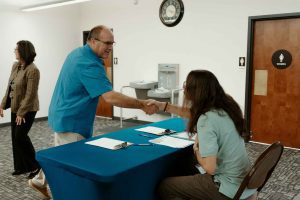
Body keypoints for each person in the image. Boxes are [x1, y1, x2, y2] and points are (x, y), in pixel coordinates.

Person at [28, 25, 158, 199]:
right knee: (72, 167)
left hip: (62, 114)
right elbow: (110, 97)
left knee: (61, 153)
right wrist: (141, 104)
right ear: (92, 40)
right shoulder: (88, 63)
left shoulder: (78, 53)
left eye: (113, 43)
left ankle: (39, 180)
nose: (111, 47)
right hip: (72, 121)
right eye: (107, 43)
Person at [149, 70, 257, 200]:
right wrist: (163, 106)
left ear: (195, 91)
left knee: (165, 187)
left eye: (186, 85)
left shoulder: (206, 119)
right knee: (186, 162)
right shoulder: (226, 106)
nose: (184, 88)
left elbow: (209, 168)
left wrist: (196, 150)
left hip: (227, 188)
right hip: (243, 180)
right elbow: (193, 113)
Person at [0, 40, 41, 179]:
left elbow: (30, 95)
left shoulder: (33, 70)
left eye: (16, 49)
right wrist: (2, 105)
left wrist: (22, 112)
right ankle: (21, 167)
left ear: (23, 51)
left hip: (28, 109)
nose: (14, 51)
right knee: (14, 138)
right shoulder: (16, 66)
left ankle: (37, 166)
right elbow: (10, 87)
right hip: (15, 106)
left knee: (20, 136)